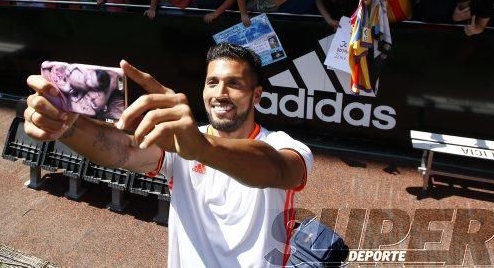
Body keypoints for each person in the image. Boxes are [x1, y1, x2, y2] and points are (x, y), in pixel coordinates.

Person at [24, 42, 312, 267]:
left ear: (257, 95)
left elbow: (277, 170)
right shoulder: (181, 141)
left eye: (234, 83)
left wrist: (202, 148)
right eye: (212, 82)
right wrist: (66, 127)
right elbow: (123, 150)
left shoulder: (283, 146)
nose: (220, 93)